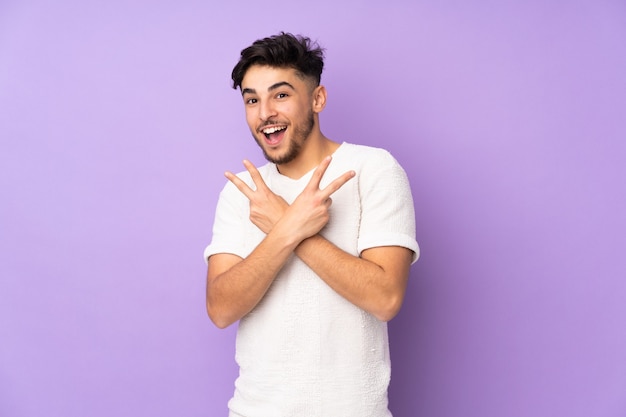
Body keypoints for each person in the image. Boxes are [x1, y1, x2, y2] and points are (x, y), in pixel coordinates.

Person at [204, 32, 420, 417]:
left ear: (317, 99)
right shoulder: (242, 193)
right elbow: (221, 309)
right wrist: (288, 229)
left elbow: (386, 298)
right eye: (252, 99)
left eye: (281, 95)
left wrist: (288, 227)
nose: (264, 112)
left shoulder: (373, 169)